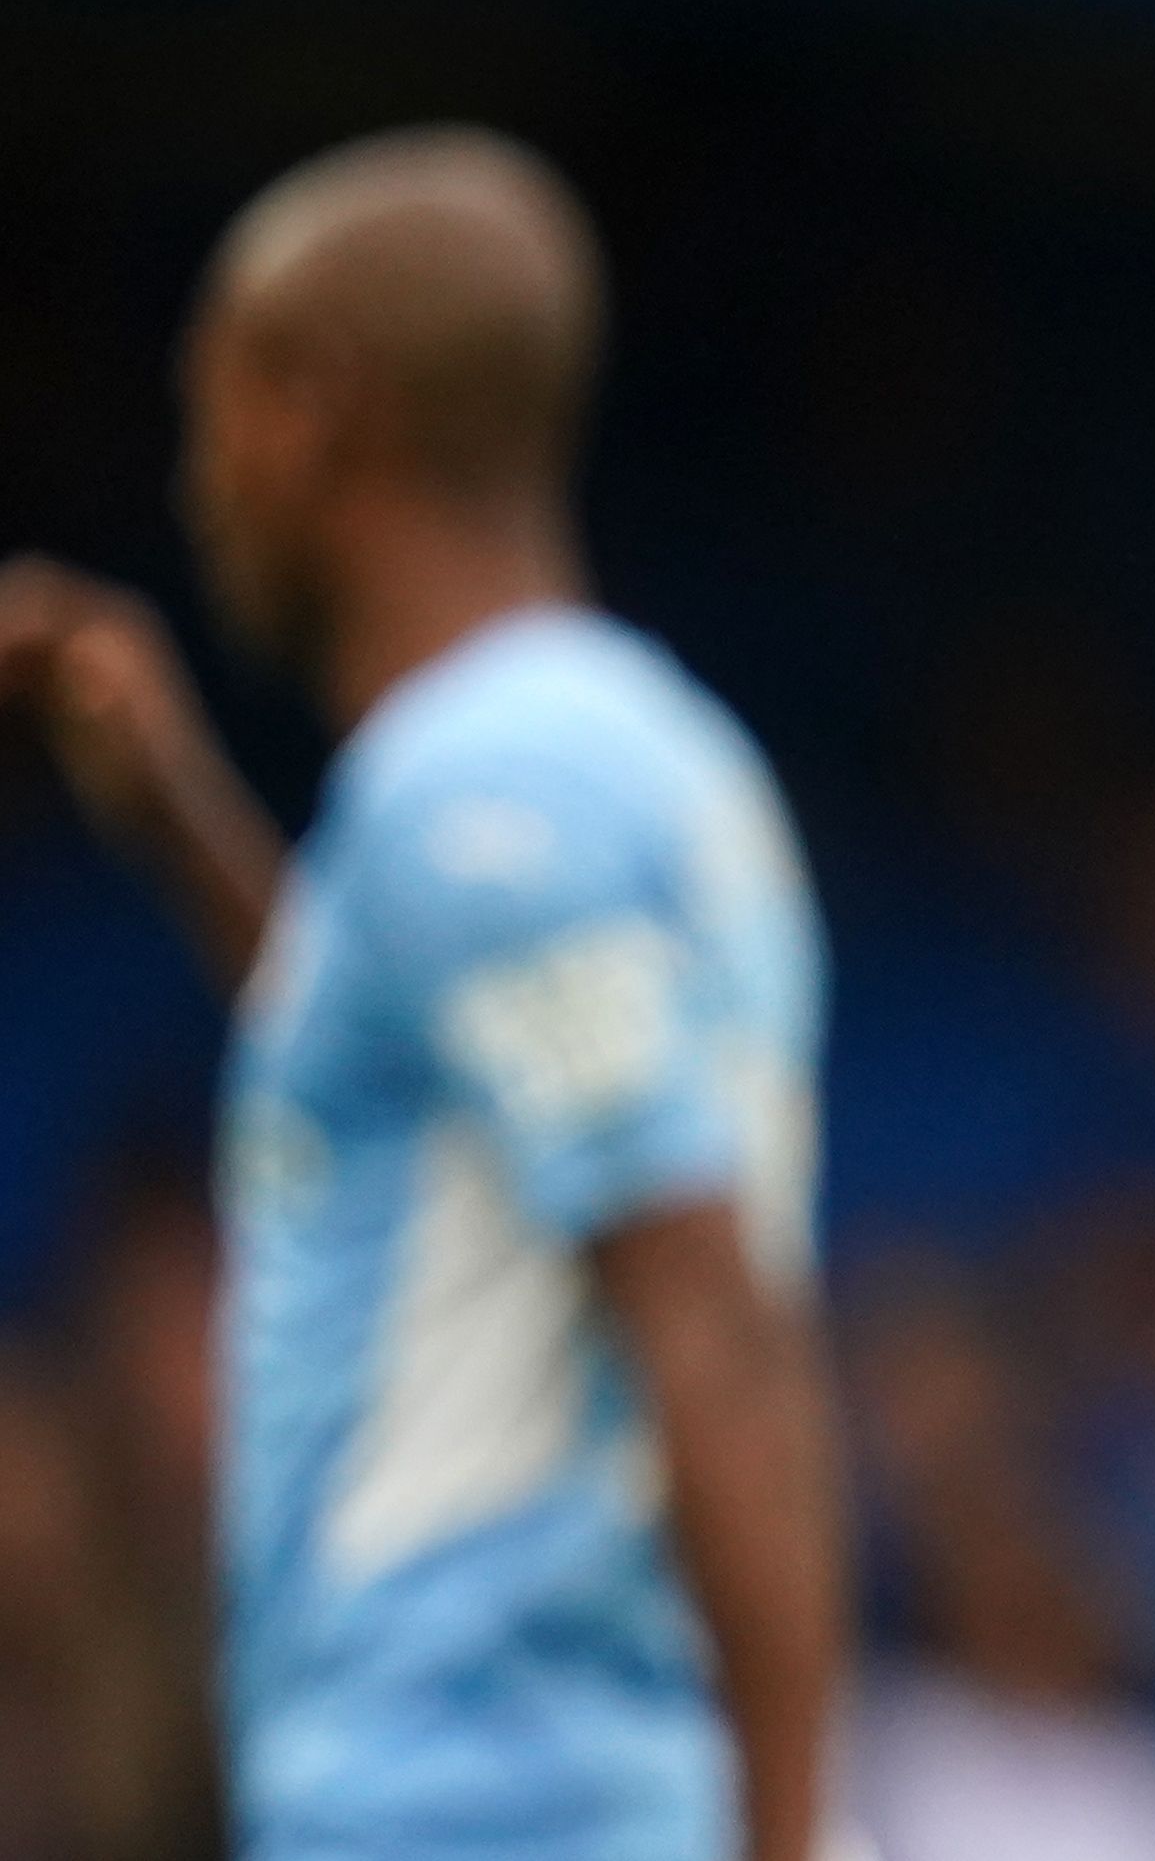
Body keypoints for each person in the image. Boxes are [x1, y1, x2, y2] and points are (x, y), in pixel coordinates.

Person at [0, 127, 845, 1861]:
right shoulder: (637, 762)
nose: (200, 477)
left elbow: (715, 1324)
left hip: (493, 1784)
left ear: (314, 404)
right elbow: (419, 1106)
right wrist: (176, 820)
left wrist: (788, 1841)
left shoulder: (482, 798)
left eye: (214, 407)